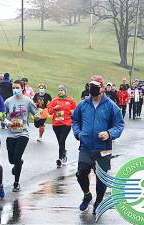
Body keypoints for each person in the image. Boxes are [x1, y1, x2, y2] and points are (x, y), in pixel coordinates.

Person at [72, 75, 124, 214]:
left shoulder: (111, 106)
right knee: (81, 173)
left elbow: (119, 124)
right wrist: (78, 133)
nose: (92, 89)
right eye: (90, 86)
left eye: (95, 86)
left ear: (102, 88)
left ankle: (99, 202)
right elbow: (75, 121)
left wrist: (109, 133)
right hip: (86, 146)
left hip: (103, 148)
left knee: (101, 178)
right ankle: (87, 195)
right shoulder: (83, 104)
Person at [4, 80, 39, 192]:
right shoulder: (8, 102)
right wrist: (6, 122)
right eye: (13, 88)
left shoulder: (28, 101)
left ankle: (16, 182)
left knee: (17, 157)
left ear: (22, 88)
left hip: (23, 133)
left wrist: (38, 116)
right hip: (11, 133)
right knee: (12, 160)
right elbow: (2, 115)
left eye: (17, 87)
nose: (15, 90)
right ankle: (18, 163)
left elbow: (36, 114)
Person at [47, 84, 76, 168]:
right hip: (56, 124)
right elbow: (49, 112)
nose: (60, 91)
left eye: (61, 90)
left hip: (66, 123)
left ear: (65, 91)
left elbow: (76, 110)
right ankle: (64, 153)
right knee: (60, 141)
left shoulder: (70, 100)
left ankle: (60, 158)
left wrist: (71, 112)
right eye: (59, 90)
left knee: (62, 140)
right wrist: (54, 109)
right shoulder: (54, 100)